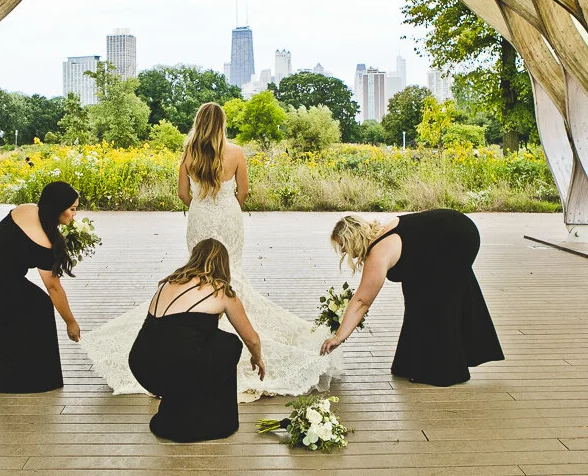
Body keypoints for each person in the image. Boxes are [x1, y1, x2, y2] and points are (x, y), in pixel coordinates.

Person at [83, 103, 341, 401]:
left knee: (199, 273)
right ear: (222, 123)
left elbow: (182, 194)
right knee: (232, 274)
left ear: (198, 122)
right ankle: (239, 329)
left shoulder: (188, 152)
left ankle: (199, 329)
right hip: (228, 217)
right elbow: (243, 192)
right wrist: (227, 206)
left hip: (199, 217)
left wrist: (201, 204)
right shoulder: (236, 152)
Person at [322, 209, 504, 386]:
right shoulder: (382, 235)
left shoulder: (379, 253)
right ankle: (409, 363)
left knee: (437, 304)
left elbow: (363, 301)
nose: (343, 251)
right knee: (416, 297)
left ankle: (445, 372)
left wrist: (339, 337)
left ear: (352, 239)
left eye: (342, 245)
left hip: (457, 238)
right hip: (450, 231)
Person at [128, 238, 264, 442]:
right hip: (178, 368)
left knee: (203, 342)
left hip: (143, 364)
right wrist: (257, 358)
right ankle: (212, 418)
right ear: (223, 264)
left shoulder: (168, 282)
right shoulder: (220, 290)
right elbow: (251, 339)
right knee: (230, 344)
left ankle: (180, 408)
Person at [0, 181, 81, 393]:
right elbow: (53, 287)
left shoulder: (26, 208)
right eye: (72, 209)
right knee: (21, 316)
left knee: (39, 305)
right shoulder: (44, 242)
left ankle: (39, 375)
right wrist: (70, 322)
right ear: (57, 208)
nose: (74, 215)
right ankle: (13, 377)